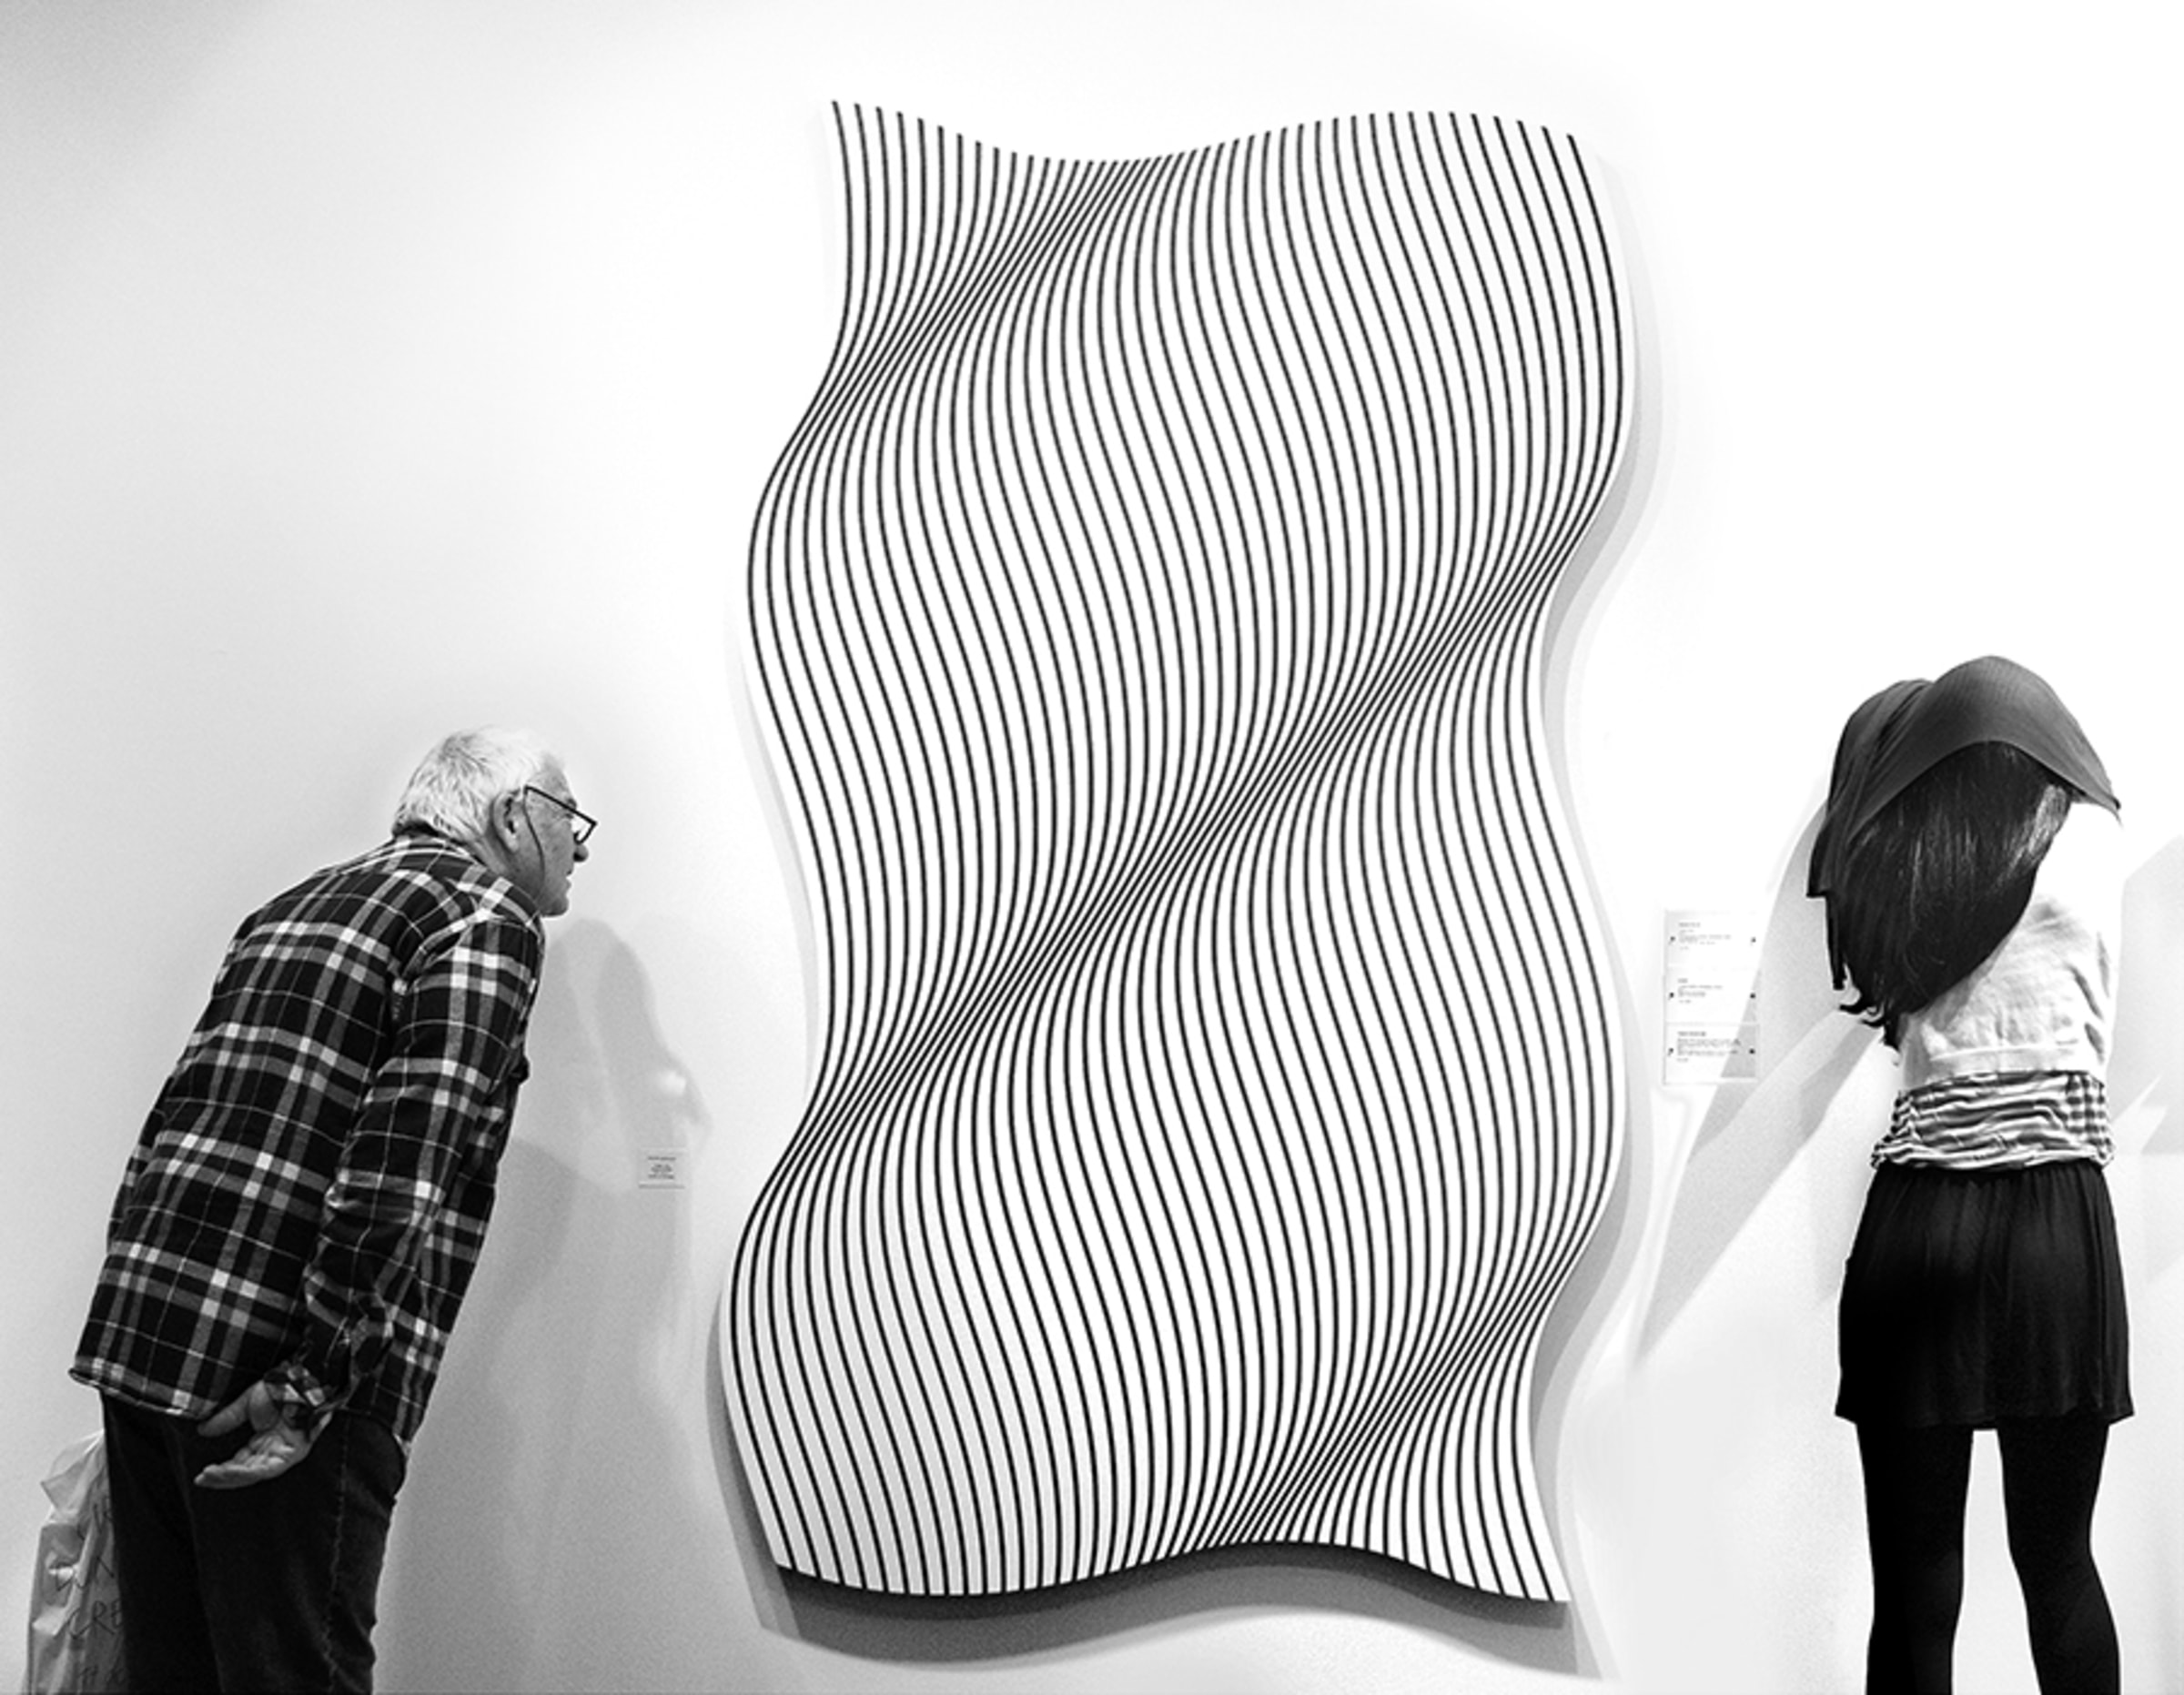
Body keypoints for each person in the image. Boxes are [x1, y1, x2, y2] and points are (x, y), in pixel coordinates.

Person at [71, 728, 594, 1692]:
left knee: (173, 1668)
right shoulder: (487, 917)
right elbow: (400, 1169)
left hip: (150, 1334)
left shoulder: (291, 905)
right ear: (513, 814)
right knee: (295, 1672)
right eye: (572, 818)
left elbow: (173, 1116)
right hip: (275, 1373)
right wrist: (314, 1381)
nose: (582, 847)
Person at [1808, 656, 2128, 1694]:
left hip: (1921, 1222)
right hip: (2056, 1223)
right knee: (2061, 1570)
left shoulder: (1900, 850)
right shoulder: (2092, 828)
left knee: (1913, 1592)